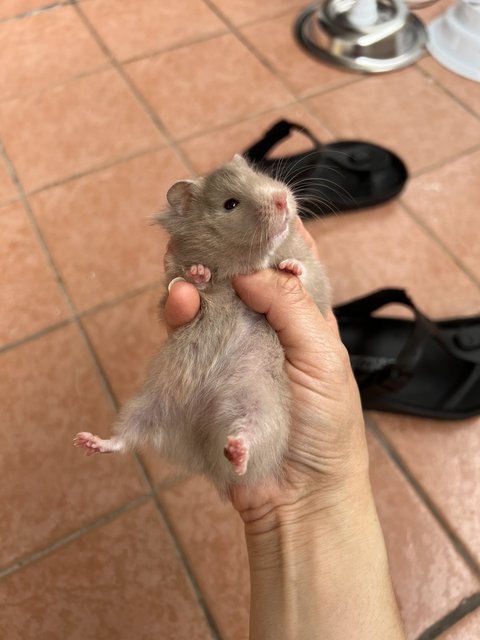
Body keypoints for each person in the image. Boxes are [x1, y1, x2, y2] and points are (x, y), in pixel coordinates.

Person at [164, 221, 405, 640]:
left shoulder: (274, 259)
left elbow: (312, 291)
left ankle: (242, 436)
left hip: (267, 396)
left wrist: (298, 276)